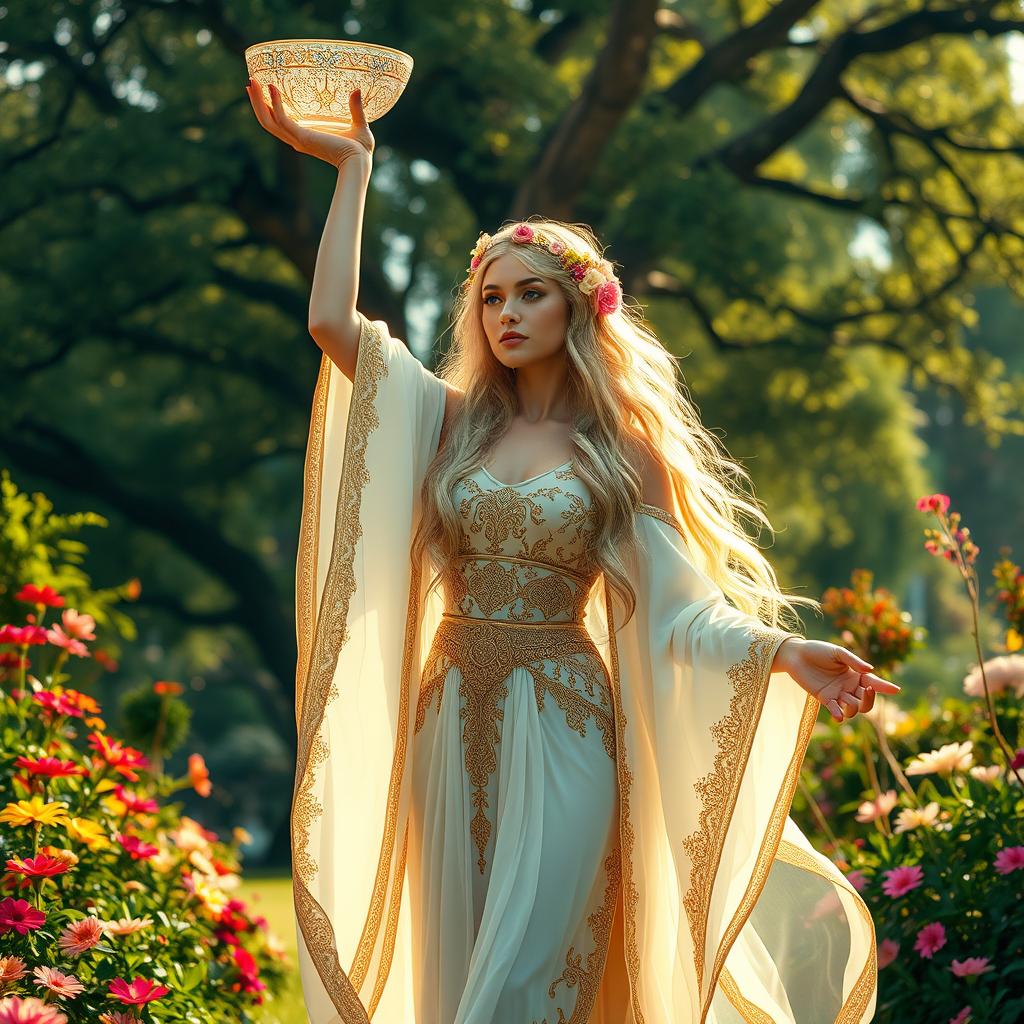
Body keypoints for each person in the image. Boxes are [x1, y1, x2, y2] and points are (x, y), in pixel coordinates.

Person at [246, 80, 898, 1024]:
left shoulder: (620, 454)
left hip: (564, 724)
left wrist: (785, 651)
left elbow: (681, 610)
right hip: (449, 714)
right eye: (492, 297)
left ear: (580, 308)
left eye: (532, 293)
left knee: (520, 988)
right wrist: (355, 169)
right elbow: (331, 326)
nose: (507, 314)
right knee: (456, 978)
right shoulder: (451, 425)